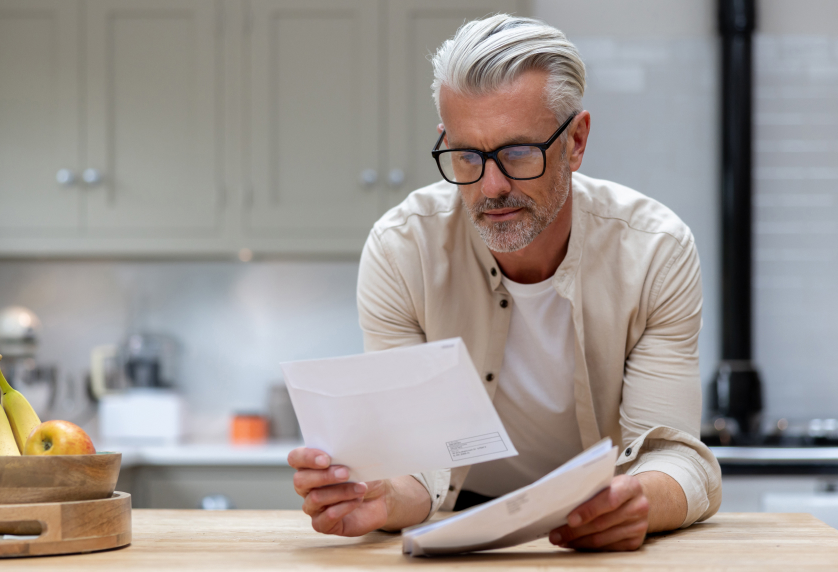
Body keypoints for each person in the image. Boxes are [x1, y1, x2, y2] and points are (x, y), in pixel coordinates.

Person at [288, 14, 721, 551]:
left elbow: (678, 457)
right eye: (467, 155)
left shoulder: (656, 250)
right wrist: (378, 497)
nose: (491, 186)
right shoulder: (403, 249)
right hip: (453, 525)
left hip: (596, 528)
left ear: (577, 141)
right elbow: (414, 467)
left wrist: (638, 500)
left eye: (518, 153)